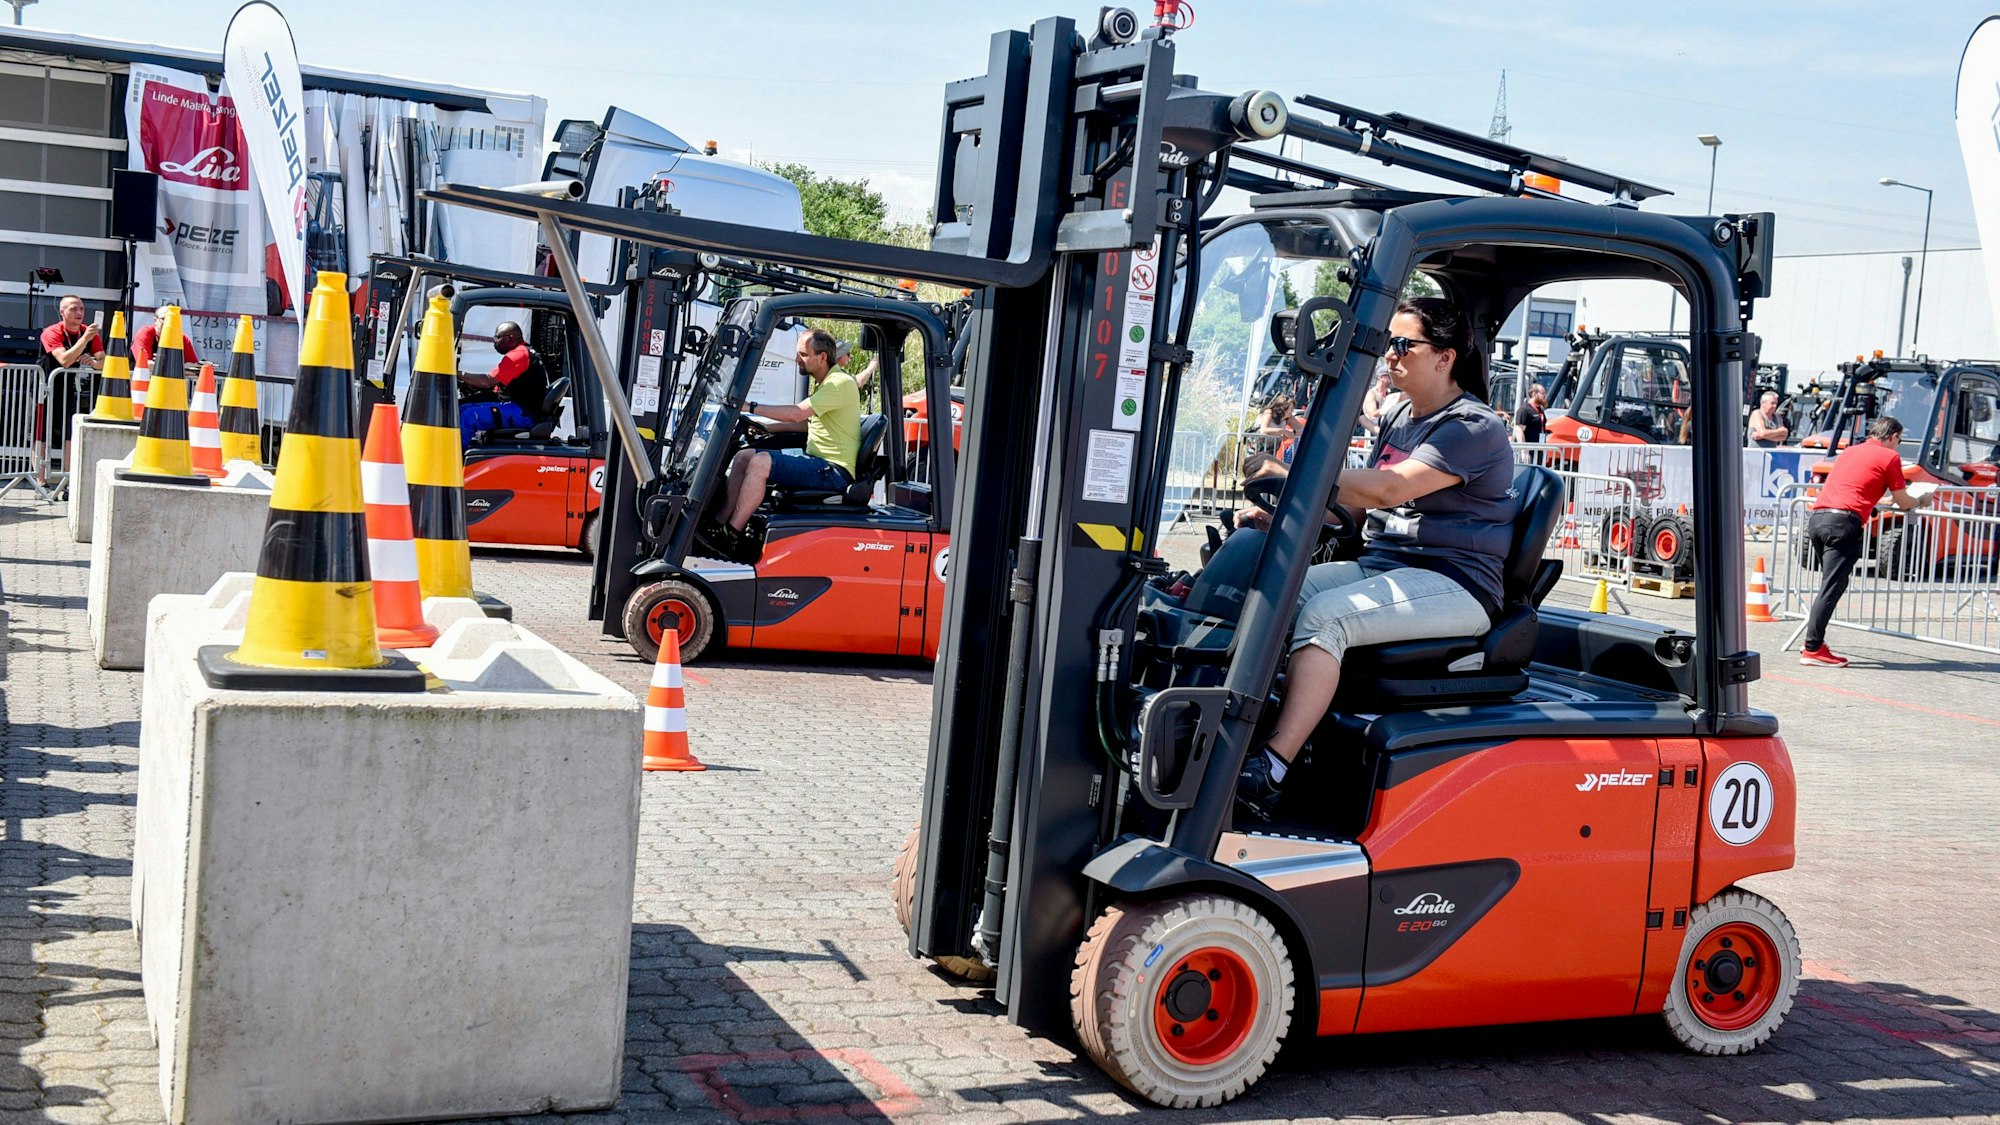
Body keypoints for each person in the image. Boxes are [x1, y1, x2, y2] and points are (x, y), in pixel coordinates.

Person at [1235, 297, 1517, 822]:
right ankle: (1240, 729)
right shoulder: (1398, 417)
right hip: (1388, 565)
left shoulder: (1472, 426)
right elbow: (1356, 509)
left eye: (1403, 344)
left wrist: (1299, 474)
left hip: (1456, 582)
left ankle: (1270, 768)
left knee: (1328, 617)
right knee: (1279, 588)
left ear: (1444, 357)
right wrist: (1280, 515)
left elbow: (1388, 488)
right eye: (1388, 343)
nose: (1390, 354)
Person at [1797, 416, 1928, 668]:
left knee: (1830, 585)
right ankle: (1813, 648)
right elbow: (1903, 502)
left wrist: (1877, 503)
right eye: (1898, 440)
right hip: (1843, 524)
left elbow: (1855, 488)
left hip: (1819, 518)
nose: (1898, 446)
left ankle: (1813, 643)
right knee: (1831, 588)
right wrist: (1921, 500)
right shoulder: (1890, 457)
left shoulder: (1850, 451)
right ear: (1892, 436)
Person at [715, 329, 862, 540]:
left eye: (803, 354)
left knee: (760, 463)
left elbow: (796, 414)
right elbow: (805, 425)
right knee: (743, 457)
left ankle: (731, 534)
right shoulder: (827, 384)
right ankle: (718, 522)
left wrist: (749, 406)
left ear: (822, 357)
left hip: (832, 471)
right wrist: (765, 428)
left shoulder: (838, 383)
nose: (796, 360)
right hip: (817, 462)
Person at [457, 322, 550, 445]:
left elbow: (487, 381)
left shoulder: (518, 355)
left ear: (510, 338)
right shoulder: (524, 351)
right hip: (522, 407)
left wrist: (457, 373)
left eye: (498, 337)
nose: (494, 342)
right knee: (462, 408)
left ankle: (454, 459)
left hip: (522, 413)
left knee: (468, 416)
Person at [38, 294, 103, 374]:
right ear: (62, 312)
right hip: (45, 384)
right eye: (73, 309)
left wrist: (93, 363)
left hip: (69, 384)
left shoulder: (90, 332)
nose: (79, 313)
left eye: (82, 309)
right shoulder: (52, 332)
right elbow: (65, 361)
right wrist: (85, 339)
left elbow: (105, 362)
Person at [130, 315, 200, 372]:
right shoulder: (145, 333)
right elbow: (145, 364)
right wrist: (175, 367)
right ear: (155, 320)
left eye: (173, 320)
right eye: (164, 319)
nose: (168, 322)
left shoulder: (182, 338)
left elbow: (193, 366)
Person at [1359, 365, 1398, 435]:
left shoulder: (1390, 394)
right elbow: (1372, 414)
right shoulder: (1371, 394)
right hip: (1371, 437)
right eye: (1389, 376)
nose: (1391, 380)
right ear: (1381, 377)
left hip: (1387, 433)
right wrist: (1387, 408)